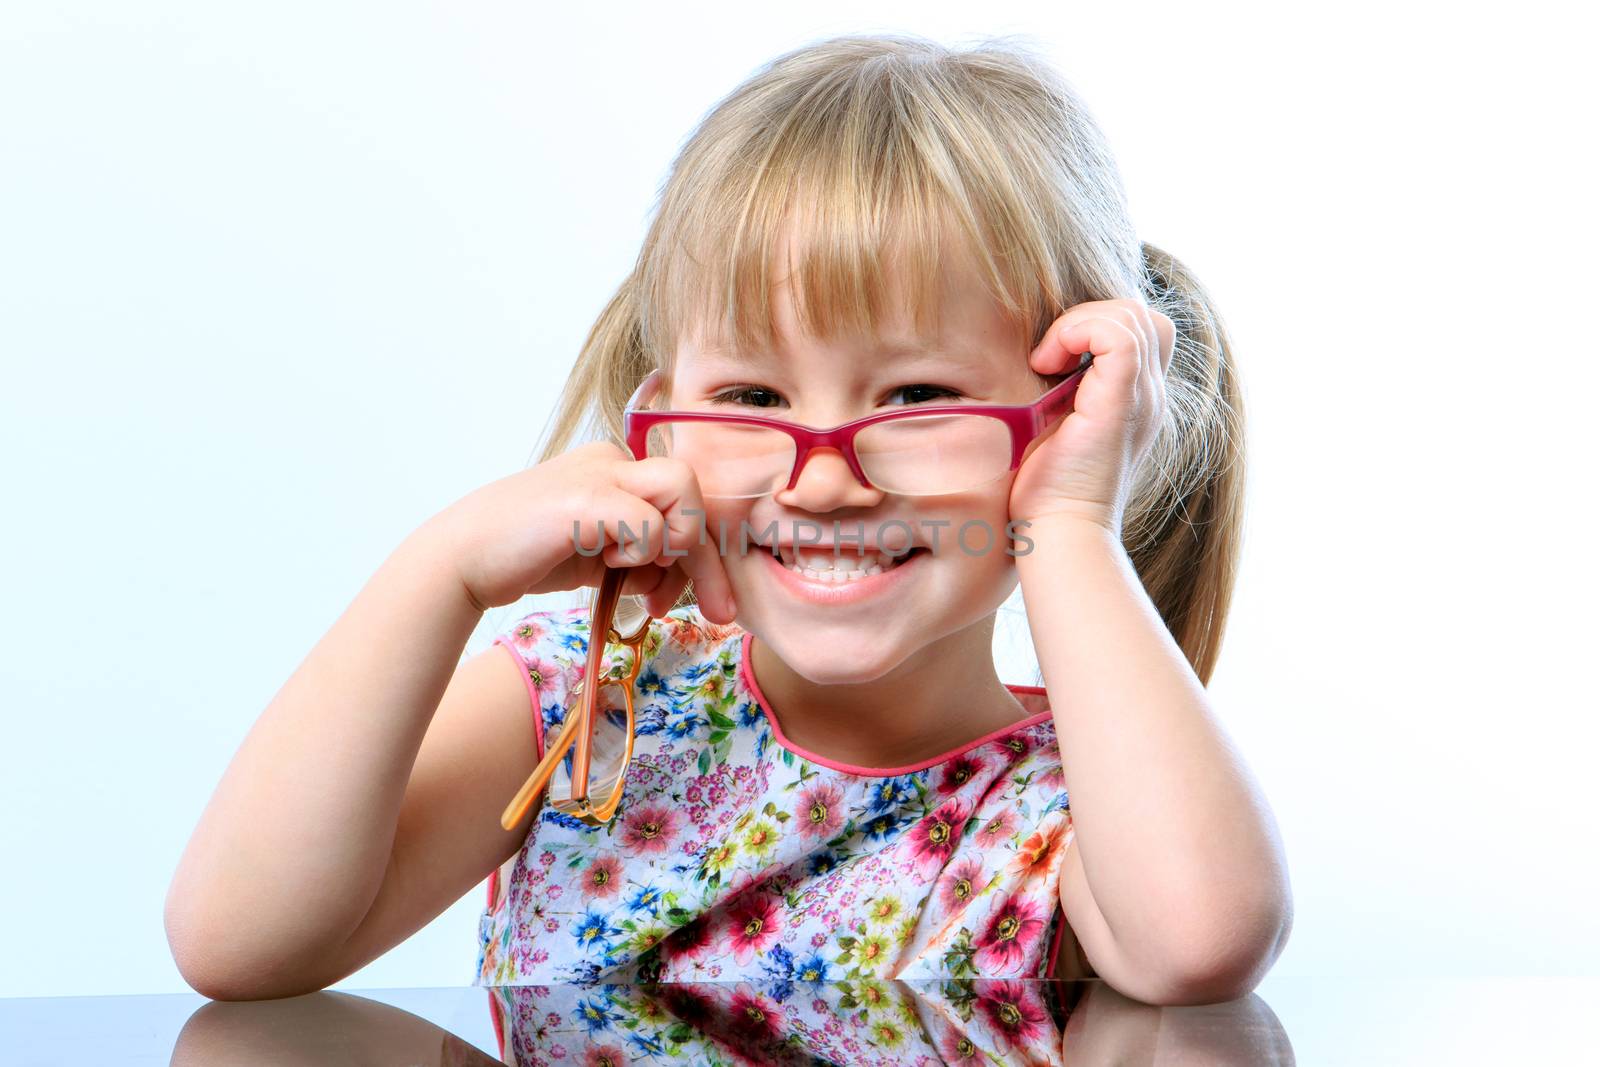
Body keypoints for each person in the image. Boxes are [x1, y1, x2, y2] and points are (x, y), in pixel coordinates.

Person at [165, 33, 1291, 1011]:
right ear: (659, 423)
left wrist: (1073, 522)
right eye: (753, 398)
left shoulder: (1078, 790)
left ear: (1065, 414)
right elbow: (242, 944)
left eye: (915, 398)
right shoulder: (583, 700)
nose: (822, 480)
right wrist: (439, 571)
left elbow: (1199, 943)